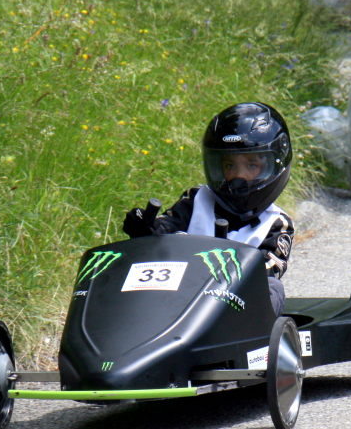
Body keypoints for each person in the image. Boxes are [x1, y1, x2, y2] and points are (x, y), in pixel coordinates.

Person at [122, 101, 295, 315]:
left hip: (234, 308)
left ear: (275, 164)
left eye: (252, 165)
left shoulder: (277, 223)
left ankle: (253, 336)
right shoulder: (197, 199)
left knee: (272, 287)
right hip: (183, 294)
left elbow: (269, 268)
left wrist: (228, 265)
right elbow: (167, 226)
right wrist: (146, 228)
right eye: (229, 166)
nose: (238, 176)